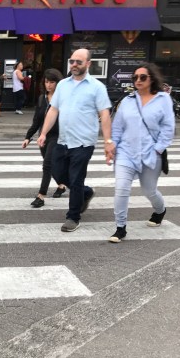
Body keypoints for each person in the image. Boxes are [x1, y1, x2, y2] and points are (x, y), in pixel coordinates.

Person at [37, 48, 113, 232]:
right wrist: (43, 133)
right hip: (63, 140)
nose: (74, 65)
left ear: (88, 64)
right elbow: (53, 109)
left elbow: (104, 113)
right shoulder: (62, 85)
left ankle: (73, 217)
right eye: (72, 61)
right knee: (58, 173)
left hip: (84, 142)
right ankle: (86, 193)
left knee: (76, 178)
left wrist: (108, 141)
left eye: (79, 62)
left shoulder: (96, 87)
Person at [106, 63, 175, 243]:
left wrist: (158, 148)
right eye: (135, 77)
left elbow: (168, 128)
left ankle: (160, 210)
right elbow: (118, 127)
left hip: (150, 153)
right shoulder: (128, 100)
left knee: (149, 190)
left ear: (152, 78)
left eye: (142, 77)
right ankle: (120, 228)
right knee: (121, 188)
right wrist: (112, 145)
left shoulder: (163, 99)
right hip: (125, 152)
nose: (138, 80)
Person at [22, 68, 67, 208]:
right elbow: (37, 120)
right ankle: (62, 185)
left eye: (52, 82)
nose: (49, 85)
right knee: (52, 167)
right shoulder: (42, 99)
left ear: (58, 83)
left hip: (58, 136)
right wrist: (28, 137)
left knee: (47, 165)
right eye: (47, 82)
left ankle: (41, 196)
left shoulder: (63, 99)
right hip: (44, 136)